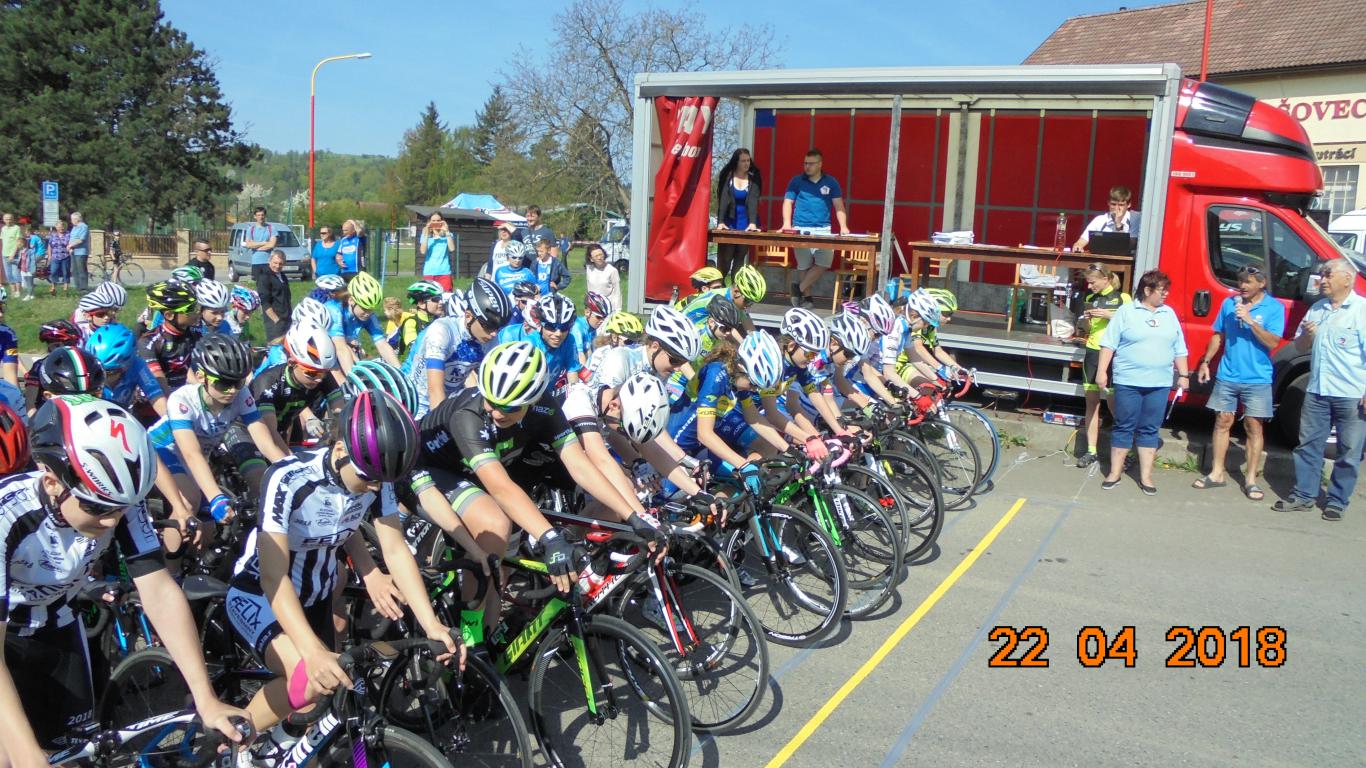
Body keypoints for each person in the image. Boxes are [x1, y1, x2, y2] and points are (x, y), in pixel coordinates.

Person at [0, 396, 249, 760]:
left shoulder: (118, 500)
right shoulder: (8, 518)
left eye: (120, 509)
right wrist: (25, 753)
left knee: (69, 756)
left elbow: (159, 590)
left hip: (58, 626)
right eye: (97, 507)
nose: (110, 522)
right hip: (7, 633)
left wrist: (206, 699)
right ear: (52, 482)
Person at [225, 391, 458, 761]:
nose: (375, 487)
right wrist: (312, 650)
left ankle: (272, 750)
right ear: (339, 450)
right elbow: (273, 576)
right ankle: (233, 744)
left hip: (314, 598)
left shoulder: (376, 479)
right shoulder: (288, 479)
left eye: (382, 481)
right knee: (308, 679)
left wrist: (431, 624)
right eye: (369, 478)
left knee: (318, 708)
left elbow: (395, 549)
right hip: (260, 593)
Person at [1273, 258, 1366, 521]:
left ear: (1347, 279)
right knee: (1308, 446)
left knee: (1349, 451)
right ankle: (1304, 495)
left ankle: (1337, 501)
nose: (1322, 280)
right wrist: (1307, 336)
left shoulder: (1361, 310)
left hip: (1351, 394)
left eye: (1328, 275)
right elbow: (1300, 346)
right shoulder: (1317, 308)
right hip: (1317, 390)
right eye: (1322, 275)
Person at [1193, 266, 1285, 500]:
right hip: (1228, 375)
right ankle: (1216, 473)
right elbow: (1218, 335)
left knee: (1253, 426)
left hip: (1257, 377)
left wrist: (1250, 320)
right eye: (1240, 281)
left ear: (1262, 284)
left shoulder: (1274, 307)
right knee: (1222, 421)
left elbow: (1273, 342)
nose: (1242, 286)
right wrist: (1206, 361)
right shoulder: (1229, 303)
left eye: (1248, 282)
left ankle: (1251, 480)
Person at [1095, 270, 1189, 495]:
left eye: (1167, 290)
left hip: (1159, 383)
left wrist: (1184, 375)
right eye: (1162, 290)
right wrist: (1101, 371)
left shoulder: (1169, 313)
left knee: (1150, 428)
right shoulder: (1126, 311)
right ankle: (1114, 472)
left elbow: (1179, 347)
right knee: (1124, 425)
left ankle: (1146, 476)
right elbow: (1109, 344)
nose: (1166, 294)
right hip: (1129, 380)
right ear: (1147, 290)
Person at [1075, 265, 1132, 468]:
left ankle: (1125, 452)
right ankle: (1091, 451)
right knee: (1092, 403)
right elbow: (1087, 328)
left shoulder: (1123, 298)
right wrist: (1087, 321)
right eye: (1088, 283)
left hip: (1114, 353)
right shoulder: (1090, 298)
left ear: (1106, 279)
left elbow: (1131, 323)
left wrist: (1109, 316)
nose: (1090, 286)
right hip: (1093, 351)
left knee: (1114, 403)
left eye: (1093, 282)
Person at [781, 148, 848, 308]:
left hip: (823, 229)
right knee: (804, 265)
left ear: (820, 164)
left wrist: (843, 226)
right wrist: (786, 224)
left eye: (811, 163)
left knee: (824, 263)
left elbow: (839, 205)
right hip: (801, 228)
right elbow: (788, 202)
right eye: (805, 163)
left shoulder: (831, 182)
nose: (807, 166)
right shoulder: (796, 181)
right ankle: (808, 299)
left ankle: (798, 288)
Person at [327, 271, 398, 371]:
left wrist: (401, 372)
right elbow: (341, 348)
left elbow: (382, 344)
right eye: (365, 308)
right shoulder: (335, 310)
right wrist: (354, 378)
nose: (368, 313)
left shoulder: (368, 314)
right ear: (351, 300)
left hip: (346, 351)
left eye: (372, 309)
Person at [715, 148, 763, 281]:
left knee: (740, 256)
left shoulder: (754, 176)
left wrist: (752, 223)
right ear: (736, 162)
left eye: (748, 160)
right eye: (743, 161)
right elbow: (723, 199)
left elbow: (753, 199)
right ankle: (720, 286)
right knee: (726, 258)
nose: (746, 164)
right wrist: (720, 222)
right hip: (730, 221)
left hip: (746, 222)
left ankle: (735, 287)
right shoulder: (728, 176)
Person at [1074, 185, 1139, 251]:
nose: (1116, 208)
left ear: (1129, 205)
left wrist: (1118, 224)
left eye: (1121, 205)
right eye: (1113, 204)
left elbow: (1130, 246)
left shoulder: (1135, 218)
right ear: (1108, 203)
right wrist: (1078, 247)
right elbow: (1081, 242)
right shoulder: (1100, 220)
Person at [258, 249, 292, 340]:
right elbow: (265, 302)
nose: (277, 266)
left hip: (287, 319)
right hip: (275, 322)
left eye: (280, 264)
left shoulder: (282, 276)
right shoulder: (264, 276)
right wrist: (276, 320)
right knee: (276, 346)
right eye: (275, 263)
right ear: (269, 261)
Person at [418, 212, 455, 292]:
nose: (436, 223)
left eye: (438, 220)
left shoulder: (448, 235)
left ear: (442, 221)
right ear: (429, 222)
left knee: (446, 296)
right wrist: (427, 234)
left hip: (444, 273)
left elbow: (452, 249)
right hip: (429, 272)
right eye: (433, 221)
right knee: (430, 297)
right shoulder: (425, 235)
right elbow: (423, 251)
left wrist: (447, 231)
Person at [244, 206, 277, 283]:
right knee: (258, 284)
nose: (260, 217)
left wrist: (256, 246)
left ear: (265, 216)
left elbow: (272, 244)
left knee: (269, 283)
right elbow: (248, 245)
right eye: (258, 215)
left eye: (262, 215)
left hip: (268, 262)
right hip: (256, 262)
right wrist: (264, 243)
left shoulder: (271, 228)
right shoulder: (250, 230)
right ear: (255, 216)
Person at [584, 243, 621, 310]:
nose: (599, 258)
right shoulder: (589, 269)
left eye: (600, 254)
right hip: (593, 307)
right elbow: (588, 288)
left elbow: (617, 292)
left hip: (608, 307)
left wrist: (617, 309)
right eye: (596, 256)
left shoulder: (612, 270)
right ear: (591, 259)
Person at [19, 223, 44, 301]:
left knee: (30, 264)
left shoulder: (33, 238)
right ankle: (32, 293)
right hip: (41, 253)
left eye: (26, 232)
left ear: (29, 232)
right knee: (29, 264)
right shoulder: (36, 237)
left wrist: (24, 245)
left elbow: (31, 247)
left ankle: (31, 280)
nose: (25, 233)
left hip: (39, 253)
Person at [67, 212, 89, 292]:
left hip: (81, 252)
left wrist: (70, 245)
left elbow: (81, 239)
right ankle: (78, 288)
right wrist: (70, 247)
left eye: (72, 219)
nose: (71, 221)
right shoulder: (74, 227)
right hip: (73, 251)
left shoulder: (84, 227)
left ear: (77, 219)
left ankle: (83, 288)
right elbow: (72, 238)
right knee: (74, 270)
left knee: (81, 270)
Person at [47, 220, 70, 296]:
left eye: (62, 227)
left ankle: (65, 289)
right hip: (55, 257)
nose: (61, 228)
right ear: (56, 227)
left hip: (65, 256)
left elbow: (70, 245)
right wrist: (49, 255)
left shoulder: (68, 234)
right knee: (53, 271)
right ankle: (53, 287)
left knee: (65, 272)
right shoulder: (53, 235)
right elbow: (50, 246)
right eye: (59, 227)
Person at [0, 213, 20, 286]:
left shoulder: (16, 228)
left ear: (13, 219)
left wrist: (13, 254)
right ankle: (13, 291)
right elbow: (3, 241)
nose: (8, 221)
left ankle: (18, 291)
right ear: (4, 220)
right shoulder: (3, 228)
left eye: (10, 219)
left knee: (15, 274)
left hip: (14, 254)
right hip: (5, 254)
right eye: (6, 219)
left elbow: (18, 242)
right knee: (8, 274)